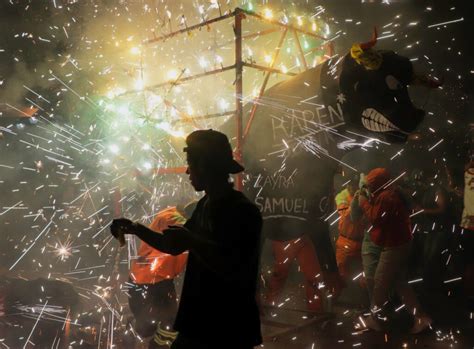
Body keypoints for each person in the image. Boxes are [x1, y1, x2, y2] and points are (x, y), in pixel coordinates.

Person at [111, 129, 263, 349]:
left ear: (207, 166)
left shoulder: (242, 211)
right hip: (198, 322)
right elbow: (171, 245)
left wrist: (193, 242)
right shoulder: (204, 206)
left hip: (228, 327)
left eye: (191, 162)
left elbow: (235, 265)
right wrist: (135, 228)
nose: (187, 170)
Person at [353, 168, 431, 334]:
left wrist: (363, 202)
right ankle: (421, 318)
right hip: (399, 243)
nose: (368, 188)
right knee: (400, 283)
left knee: (380, 284)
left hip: (394, 246)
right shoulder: (390, 192)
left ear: (377, 184)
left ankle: (373, 320)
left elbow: (376, 219)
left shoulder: (386, 196)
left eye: (370, 184)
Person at [128, 205, 191, 348]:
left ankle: (146, 336)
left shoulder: (172, 213)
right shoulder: (178, 223)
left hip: (151, 277)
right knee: (162, 323)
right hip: (152, 279)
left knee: (168, 322)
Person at [334, 179, 367, 287]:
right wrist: (357, 201)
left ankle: (365, 297)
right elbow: (347, 214)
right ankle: (334, 298)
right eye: (349, 185)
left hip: (362, 241)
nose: (351, 188)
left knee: (366, 274)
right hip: (345, 241)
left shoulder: (365, 195)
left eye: (354, 186)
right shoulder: (341, 196)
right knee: (340, 273)